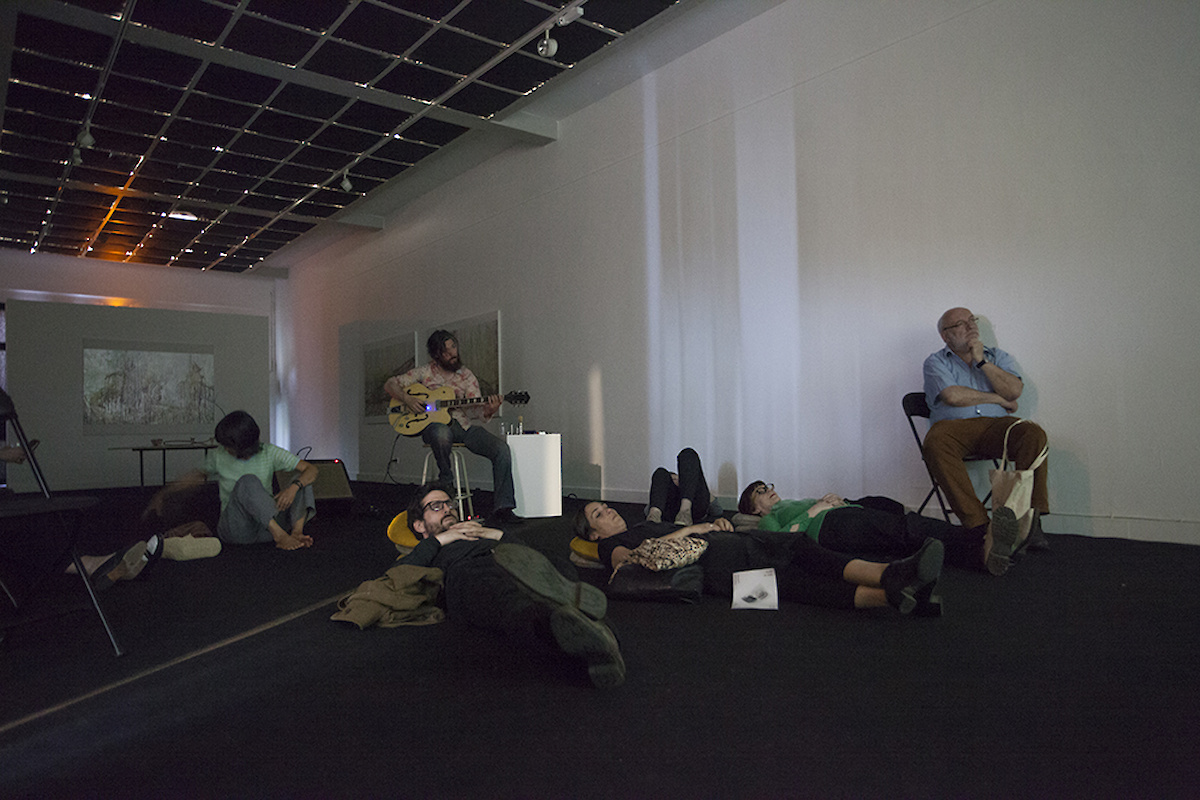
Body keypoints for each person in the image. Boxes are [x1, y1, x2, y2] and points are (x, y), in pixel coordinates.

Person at [402, 484, 625, 688]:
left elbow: (523, 552)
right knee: (509, 601)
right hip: (470, 571)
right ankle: (586, 629)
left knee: (553, 562)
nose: (448, 509)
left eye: (449, 504)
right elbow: (402, 572)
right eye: (436, 506)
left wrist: (493, 533)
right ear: (419, 525)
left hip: (509, 560)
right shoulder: (429, 548)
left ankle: (579, 623)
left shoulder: (477, 530)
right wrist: (442, 539)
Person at [574, 500, 944, 617]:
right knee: (798, 557)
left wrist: (711, 524)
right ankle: (891, 575)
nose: (608, 512)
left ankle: (897, 597)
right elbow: (633, 561)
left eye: (605, 507)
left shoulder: (640, 524)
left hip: (724, 571)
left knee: (798, 584)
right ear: (593, 534)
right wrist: (690, 531)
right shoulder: (612, 545)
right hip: (721, 565)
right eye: (598, 515)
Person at [923, 307, 1050, 572]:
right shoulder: (936, 362)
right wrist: (1000, 399)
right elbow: (953, 396)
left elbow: (1014, 390)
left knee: (1032, 432)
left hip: (997, 427)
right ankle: (979, 528)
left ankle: (1029, 520)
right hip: (954, 428)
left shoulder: (997, 357)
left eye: (972, 321)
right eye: (961, 323)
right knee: (935, 441)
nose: (970, 326)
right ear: (946, 336)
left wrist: (983, 362)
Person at [385, 330, 518, 524]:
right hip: (432, 427)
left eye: (453, 347)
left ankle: (504, 507)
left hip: (462, 426)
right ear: (436, 355)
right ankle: (446, 482)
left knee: (501, 449)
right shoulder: (423, 372)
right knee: (440, 431)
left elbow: (477, 413)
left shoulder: (467, 376)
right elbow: (390, 384)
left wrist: (489, 409)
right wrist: (407, 398)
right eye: (446, 351)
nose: (452, 353)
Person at [737, 481, 1006, 575]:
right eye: (760, 491)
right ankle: (979, 535)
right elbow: (783, 539)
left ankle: (978, 557)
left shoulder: (789, 503)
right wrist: (817, 508)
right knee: (905, 529)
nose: (769, 490)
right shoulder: (767, 520)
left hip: (843, 517)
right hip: (833, 526)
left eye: (768, 485)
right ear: (754, 509)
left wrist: (833, 500)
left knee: (904, 540)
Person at [147, 411, 318, 551]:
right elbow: (195, 477)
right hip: (237, 530)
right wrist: (163, 494)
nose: (225, 449)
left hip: (266, 527)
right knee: (248, 481)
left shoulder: (269, 452)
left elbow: (312, 470)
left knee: (302, 480)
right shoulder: (219, 455)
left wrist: (293, 488)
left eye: (228, 446)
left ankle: (296, 533)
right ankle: (280, 537)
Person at [645, 447, 723, 526]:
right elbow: (646, 509)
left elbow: (717, 511)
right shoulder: (667, 490)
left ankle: (685, 511)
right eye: (673, 480)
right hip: (668, 509)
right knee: (660, 472)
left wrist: (691, 485)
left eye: (677, 479)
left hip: (694, 506)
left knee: (688, 454)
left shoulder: (692, 486)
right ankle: (654, 515)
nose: (676, 481)